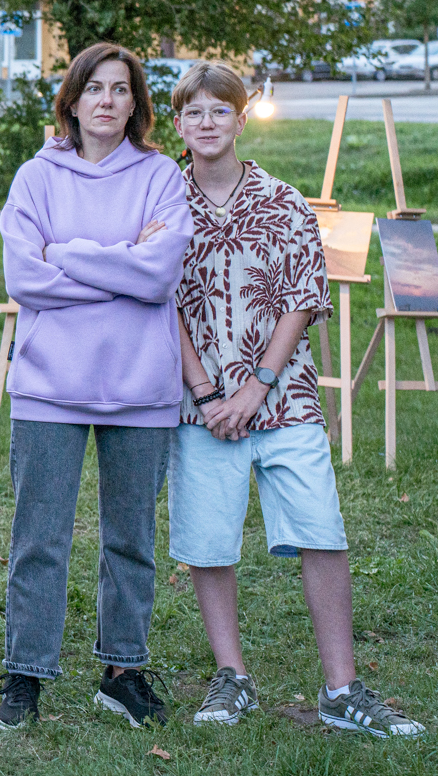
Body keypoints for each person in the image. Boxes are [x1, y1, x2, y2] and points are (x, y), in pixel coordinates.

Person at [169, 62, 423, 737]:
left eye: (219, 111)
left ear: (241, 120)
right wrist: (207, 391)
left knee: (320, 529)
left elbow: (302, 298)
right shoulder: (161, 203)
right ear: (178, 124)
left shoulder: (281, 201)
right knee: (209, 539)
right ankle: (232, 677)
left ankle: (341, 688)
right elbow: (160, 304)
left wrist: (256, 386)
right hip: (200, 405)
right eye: (194, 112)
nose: (207, 123)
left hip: (284, 399)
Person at [0, 41, 192, 731]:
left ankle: (122, 672)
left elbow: (159, 275)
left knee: (131, 539)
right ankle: (25, 673)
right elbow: (25, 278)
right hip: (50, 384)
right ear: (72, 102)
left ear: (136, 104)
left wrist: (69, 255)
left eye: (121, 89)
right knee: (38, 538)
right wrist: (122, 267)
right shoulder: (36, 178)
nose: (107, 100)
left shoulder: (161, 176)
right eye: (94, 88)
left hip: (141, 384)